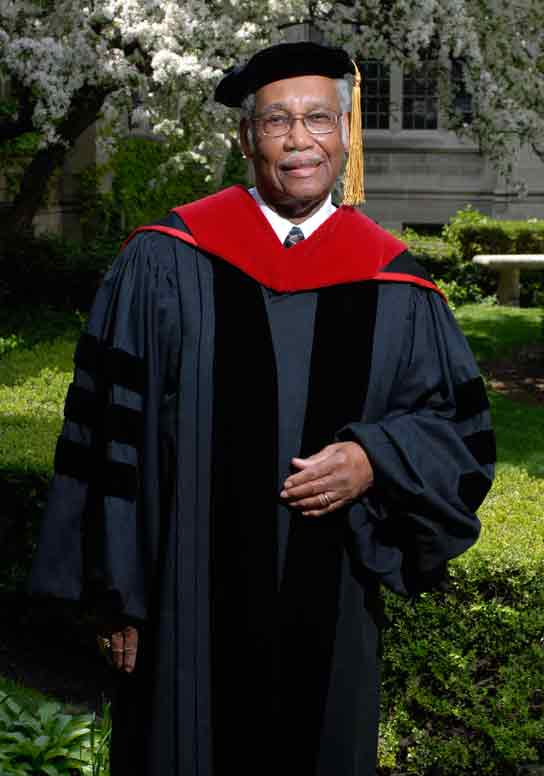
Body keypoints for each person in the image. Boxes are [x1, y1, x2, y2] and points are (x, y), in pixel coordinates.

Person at [29, 41, 495, 776]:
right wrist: (115, 593)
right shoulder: (165, 261)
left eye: (318, 119)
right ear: (247, 137)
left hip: (332, 610)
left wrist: (377, 458)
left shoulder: (396, 284)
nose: (300, 140)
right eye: (279, 122)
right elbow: (108, 437)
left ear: (346, 134)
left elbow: (458, 437)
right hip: (185, 612)